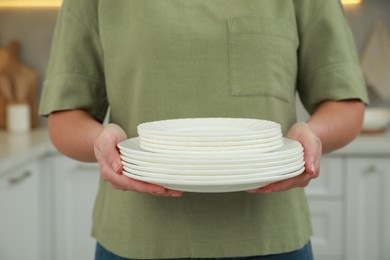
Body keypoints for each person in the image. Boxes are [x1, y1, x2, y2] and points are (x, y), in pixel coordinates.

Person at [39, 0, 368, 259]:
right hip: (138, 242)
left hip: (270, 240)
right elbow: (65, 117)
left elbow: (345, 103)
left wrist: (312, 137)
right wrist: (100, 140)